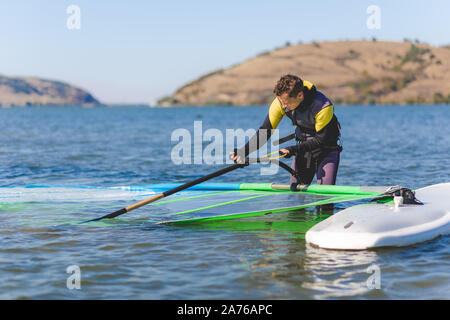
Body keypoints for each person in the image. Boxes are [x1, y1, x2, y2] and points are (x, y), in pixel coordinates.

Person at [230, 74, 342, 190]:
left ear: (300, 95)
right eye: (281, 102)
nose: (283, 106)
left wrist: (292, 150)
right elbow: (265, 131)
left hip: (326, 150)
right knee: (296, 198)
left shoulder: (323, 106)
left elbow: (320, 140)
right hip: (303, 150)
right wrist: (243, 151)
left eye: (287, 103)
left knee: (324, 203)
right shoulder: (280, 102)